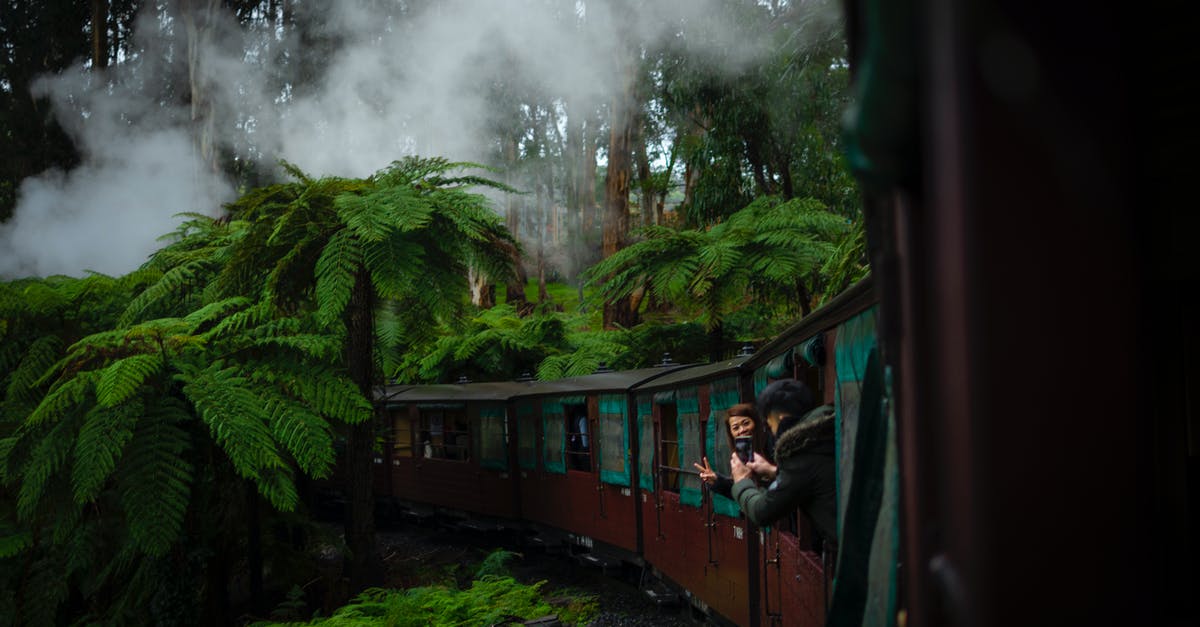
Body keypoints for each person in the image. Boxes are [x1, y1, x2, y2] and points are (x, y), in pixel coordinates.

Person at [730, 379, 837, 542]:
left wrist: (741, 482)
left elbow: (762, 512)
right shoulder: (826, 434)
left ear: (780, 418)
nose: (772, 431)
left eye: (770, 424)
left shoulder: (801, 451)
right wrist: (772, 471)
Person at [692, 402, 777, 499]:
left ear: (756, 422)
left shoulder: (773, 444)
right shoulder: (738, 455)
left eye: (746, 423)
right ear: (731, 433)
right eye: (735, 428)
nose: (742, 430)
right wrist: (717, 481)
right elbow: (742, 490)